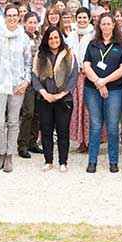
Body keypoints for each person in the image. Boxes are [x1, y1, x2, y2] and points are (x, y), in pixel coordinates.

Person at [0, 4, 33, 173]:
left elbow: (28, 62)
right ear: (5, 17)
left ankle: (10, 156)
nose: (12, 18)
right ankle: (0, 154)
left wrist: (26, 81)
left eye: (15, 15)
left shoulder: (24, 37)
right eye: (9, 15)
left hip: (17, 84)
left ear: (19, 17)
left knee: (13, 121)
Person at [82, 13, 122, 174]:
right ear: (99, 26)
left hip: (115, 90)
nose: (106, 26)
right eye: (103, 24)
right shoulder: (93, 44)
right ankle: (92, 161)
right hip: (92, 89)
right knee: (95, 125)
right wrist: (98, 82)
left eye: (109, 23)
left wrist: (104, 82)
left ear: (114, 25)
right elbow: (86, 66)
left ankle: (113, 161)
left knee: (112, 126)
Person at [32, 27, 78, 172]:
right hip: (44, 97)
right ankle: (48, 160)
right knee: (46, 130)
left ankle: (63, 162)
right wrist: (44, 92)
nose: (54, 40)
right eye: (51, 38)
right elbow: (34, 76)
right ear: (46, 39)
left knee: (63, 131)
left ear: (60, 39)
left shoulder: (69, 54)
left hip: (64, 99)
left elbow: (73, 76)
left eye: (56, 37)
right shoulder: (40, 55)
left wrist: (61, 94)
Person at [67, 8, 96, 153]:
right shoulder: (70, 34)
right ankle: (81, 141)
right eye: (79, 17)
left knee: (89, 108)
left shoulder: (93, 35)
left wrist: (88, 68)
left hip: (89, 75)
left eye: (85, 17)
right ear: (75, 18)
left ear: (89, 19)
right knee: (77, 108)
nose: (82, 20)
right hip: (74, 76)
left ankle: (91, 140)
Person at [17, 12, 43, 159]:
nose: (32, 25)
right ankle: (22, 144)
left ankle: (33, 142)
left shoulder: (39, 37)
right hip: (26, 78)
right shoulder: (21, 38)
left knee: (38, 112)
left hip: (39, 78)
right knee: (28, 112)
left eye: (35, 22)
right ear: (24, 23)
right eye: (30, 22)